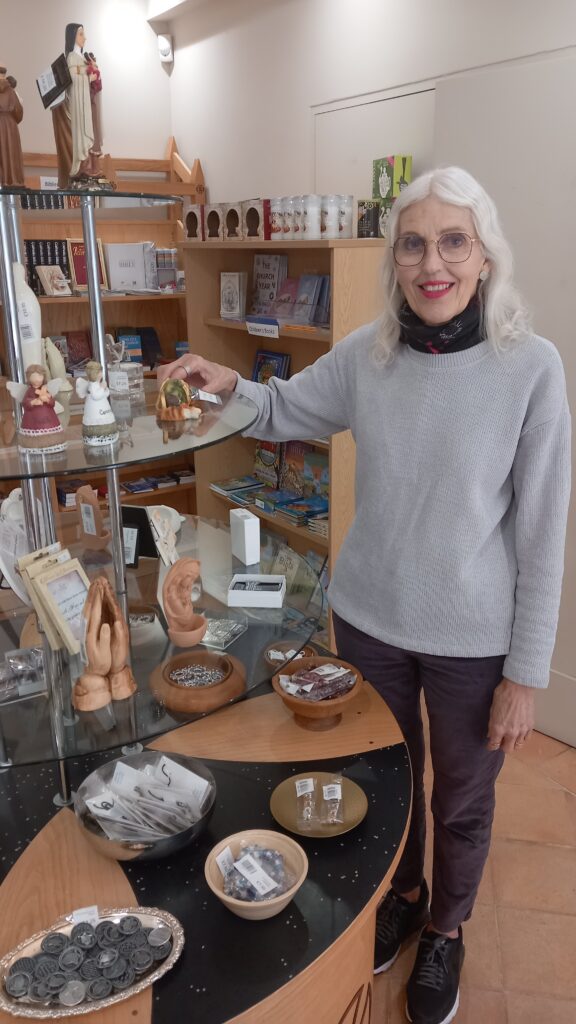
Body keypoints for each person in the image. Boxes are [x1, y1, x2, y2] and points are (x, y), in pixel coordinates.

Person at [157, 167, 571, 1024]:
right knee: (392, 780)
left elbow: (541, 533)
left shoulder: (530, 368)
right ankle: (408, 895)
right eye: (413, 243)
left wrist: (526, 673)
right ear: (395, 259)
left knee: (461, 795)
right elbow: (282, 410)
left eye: (453, 241)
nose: (433, 264)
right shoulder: (369, 353)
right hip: (371, 618)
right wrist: (227, 382)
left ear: (485, 256)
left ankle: (446, 933)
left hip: (472, 639)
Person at [63, 23, 103, 182]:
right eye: (81, 34)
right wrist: (87, 78)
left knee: (93, 130)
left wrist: (93, 73)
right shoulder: (72, 57)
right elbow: (73, 79)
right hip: (79, 104)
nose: (84, 37)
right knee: (83, 132)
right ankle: (83, 165)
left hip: (89, 102)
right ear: (73, 36)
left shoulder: (83, 58)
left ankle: (93, 167)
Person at [0, 64, 25, 188]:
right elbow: (19, 112)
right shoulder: (12, 92)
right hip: (10, 127)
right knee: (10, 153)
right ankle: (11, 179)